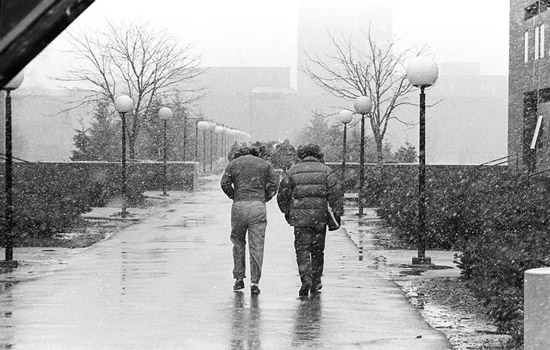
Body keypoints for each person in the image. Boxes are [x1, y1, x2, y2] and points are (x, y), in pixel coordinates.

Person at [277, 143, 343, 297]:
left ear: (301, 155)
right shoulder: (327, 171)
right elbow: (336, 195)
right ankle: (316, 280)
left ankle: (305, 277)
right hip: (319, 218)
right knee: (318, 250)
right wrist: (337, 213)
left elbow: (282, 194)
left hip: (300, 219)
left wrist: (287, 211)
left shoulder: (292, 171)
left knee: (302, 249)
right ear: (318, 154)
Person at [221, 146, 279, 294]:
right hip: (258, 206)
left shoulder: (234, 164)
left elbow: (225, 183)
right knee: (257, 245)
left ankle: (239, 278)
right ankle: (254, 282)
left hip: (239, 205)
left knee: (238, 243)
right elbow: (274, 184)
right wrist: (265, 197)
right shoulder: (264, 164)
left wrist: (234, 195)